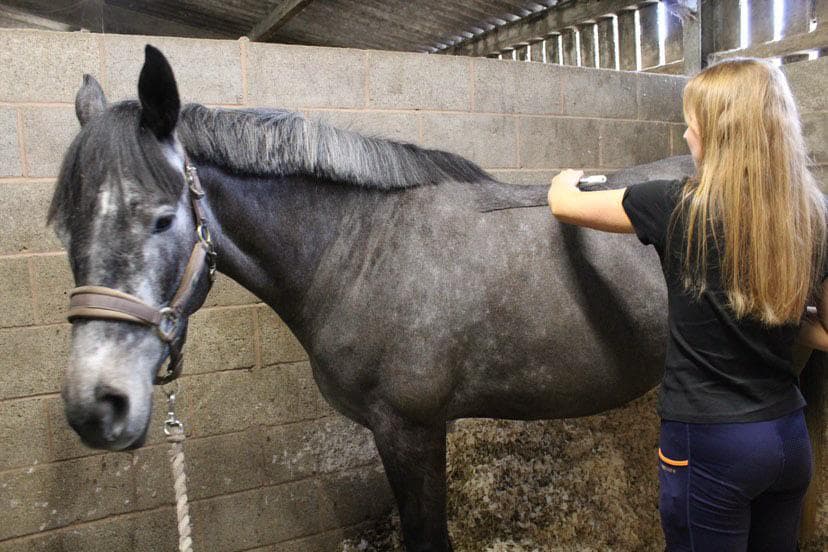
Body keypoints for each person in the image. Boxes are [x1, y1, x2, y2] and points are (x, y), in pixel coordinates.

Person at [547, 57, 827, 551]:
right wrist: (779, 318)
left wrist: (563, 179)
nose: (685, 135)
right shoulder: (812, 215)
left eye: (691, 124)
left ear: (718, 136)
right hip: (786, 438)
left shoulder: (673, 205)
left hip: (711, 444)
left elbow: (564, 206)